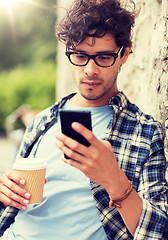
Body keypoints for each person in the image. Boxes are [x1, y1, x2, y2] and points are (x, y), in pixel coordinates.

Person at [0, 0, 168, 239]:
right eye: (80, 55)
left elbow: (159, 233)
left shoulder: (146, 132)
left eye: (103, 57)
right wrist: (5, 192)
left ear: (124, 54)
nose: (90, 69)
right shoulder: (42, 121)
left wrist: (116, 182)